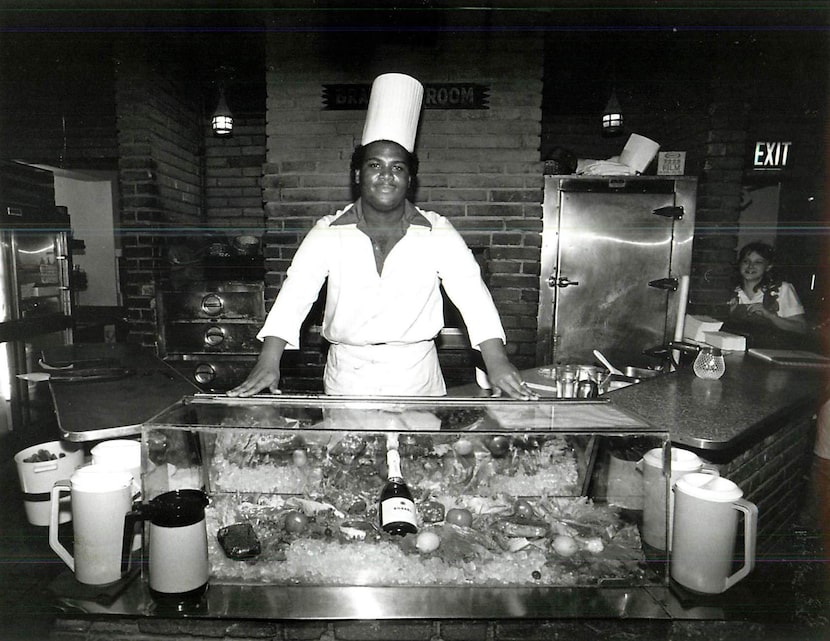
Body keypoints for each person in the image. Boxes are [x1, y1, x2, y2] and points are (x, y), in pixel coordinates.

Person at [228, 73, 532, 400]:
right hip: (347, 376)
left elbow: (472, 294)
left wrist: (497, 361)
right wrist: (269, 359)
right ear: (358, 174)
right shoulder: (328, 232)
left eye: (398, 167)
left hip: (417, 377)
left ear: (410, 177)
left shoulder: (438, 232)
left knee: (425, 452)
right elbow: (296, 292)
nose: (387, 175)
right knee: (347, 451)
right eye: (375, 164)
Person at [724, 241, 808, 346]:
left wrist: (770, 316)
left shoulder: (782, 289)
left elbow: (801, 328)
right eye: (746, 261)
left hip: (774, 351)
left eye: (758, 262)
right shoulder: (730, 291)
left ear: (768, 267)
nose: (750, 266)